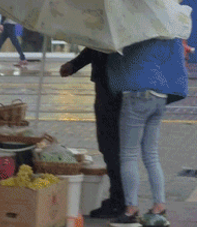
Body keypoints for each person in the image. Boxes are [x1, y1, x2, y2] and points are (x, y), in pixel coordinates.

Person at [105, 38, 188, 227]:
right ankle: (159, 205)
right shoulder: (165, 29)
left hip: (137, 92)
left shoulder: (134, 29)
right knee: (151, 155)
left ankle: (131, 210)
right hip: (160, 94)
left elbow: (115, 54)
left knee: (128, 154)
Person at [60, 48, 124, 219]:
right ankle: (120, 198)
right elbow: (95, 48)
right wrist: (74, 65)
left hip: (112, 89)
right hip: (112, 86)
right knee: (112, 148)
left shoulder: (112, 30)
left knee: (112, 147)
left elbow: (98, 48)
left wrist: (74, 65)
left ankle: (119, 200)